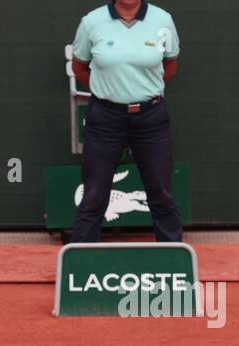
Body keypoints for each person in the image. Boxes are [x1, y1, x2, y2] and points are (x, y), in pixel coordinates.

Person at [70, 1, 182, 243]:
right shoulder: (91, 22)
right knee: (94, 194)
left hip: (151, 119)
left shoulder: (163, 20)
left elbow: (170, 64)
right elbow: (79, 66)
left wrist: (146, 91)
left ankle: (173, 263)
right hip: (105, 119)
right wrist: (107, 91)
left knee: (161, 193)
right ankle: (80, 264)